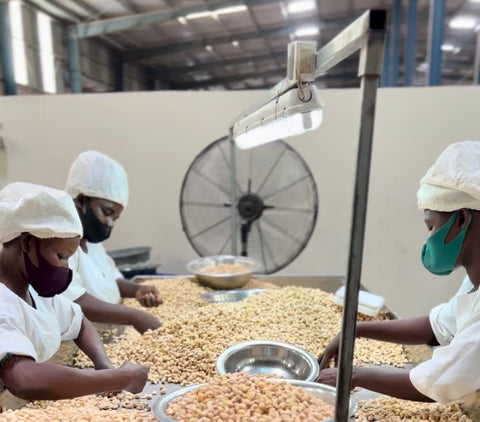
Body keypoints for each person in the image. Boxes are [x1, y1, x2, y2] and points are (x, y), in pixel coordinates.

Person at [316, 140, 480, 404]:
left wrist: (353, 375)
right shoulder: (474, 283)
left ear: (460, 219)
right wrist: (356, 330)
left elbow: (440, 381)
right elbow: (435, 327)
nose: (429, 240)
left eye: (431, 227)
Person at [0, 182, 148, 400]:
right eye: (60, 256)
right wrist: (119, 378)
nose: (66, 268)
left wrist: (103, 363)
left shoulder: (35, 291)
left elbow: (79, 323)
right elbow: (24, 379)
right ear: (28, 242)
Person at [61, 151, 162, 334]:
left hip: (108, 330)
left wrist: (137, 290)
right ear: (81, 200)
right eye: (107, 213)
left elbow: (110, 278)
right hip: (82, 338)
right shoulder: (59, 243)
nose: (110, 224)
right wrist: (133, 316)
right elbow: (74, 300)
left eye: (115, 218)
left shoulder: (91, 241)